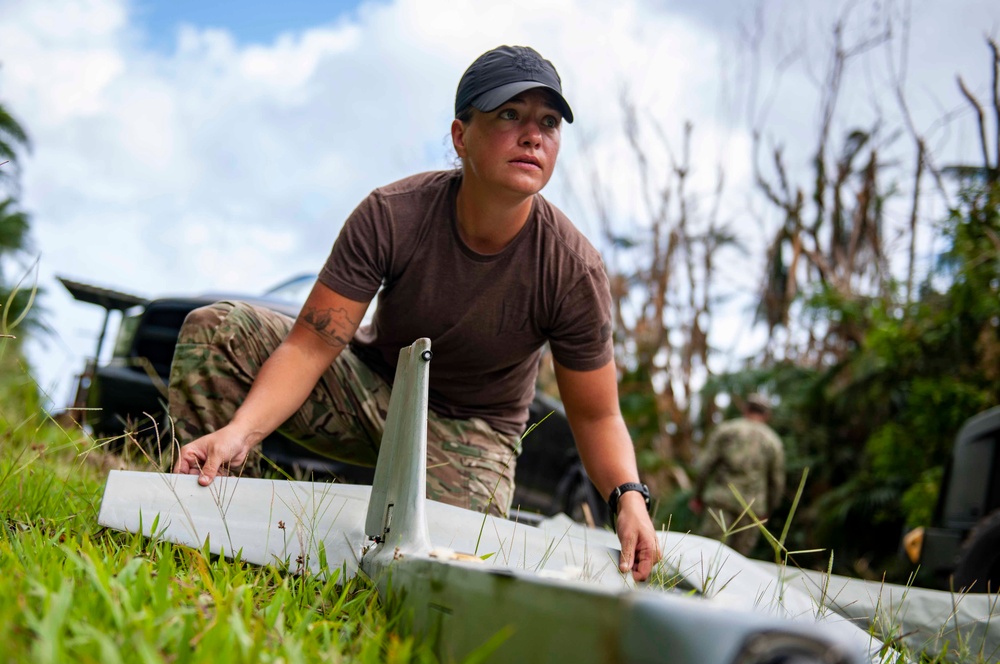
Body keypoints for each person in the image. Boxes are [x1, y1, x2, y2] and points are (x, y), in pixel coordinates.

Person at [168, 45, 661, 581]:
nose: (532, 136)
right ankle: (210, 527)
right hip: (372, 389)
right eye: (508, 116)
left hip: (474, 432)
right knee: (217, 330)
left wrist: (628, 499)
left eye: (548, 122)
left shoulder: (572, 269)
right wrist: (240, 431)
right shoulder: (392, 214)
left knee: (442, 573)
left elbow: (597, 415)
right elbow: (311, 345)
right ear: (460, 136)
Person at [689, 394, 786, 555]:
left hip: (721, 501)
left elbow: (705, 465)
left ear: (745, 409)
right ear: (767, 415)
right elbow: (776, 482)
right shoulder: (773, 441)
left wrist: (697, 496)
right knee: (738, 562)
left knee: (708, 555)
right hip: (752, 509)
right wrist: (768, 509)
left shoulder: (727, 430)